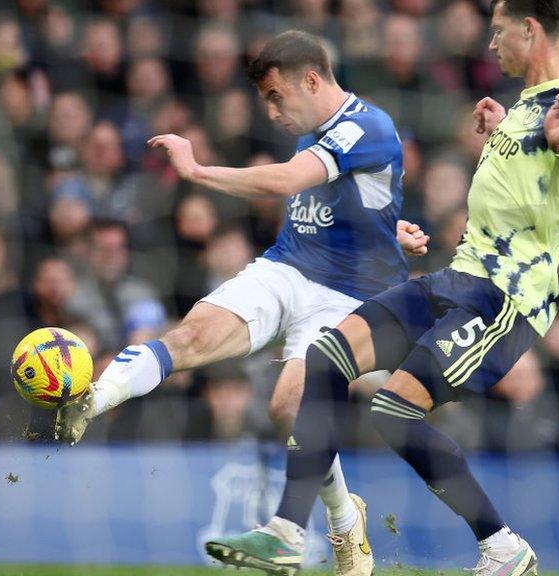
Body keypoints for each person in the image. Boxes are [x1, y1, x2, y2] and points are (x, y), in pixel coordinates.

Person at [206, 2, 559, 575]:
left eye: (498, 32)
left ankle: (502, 546)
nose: (491, 43)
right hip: (457, 277)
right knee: (326, 359)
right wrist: (511, 135)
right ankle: (287, 534)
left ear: (531, 29)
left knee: (393, 411)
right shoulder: (525, 105)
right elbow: (534, 184)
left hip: (505, 301)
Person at [53, 30, 427, 576]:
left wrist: (198, 170)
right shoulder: (316, 134)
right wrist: (390, 228)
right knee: (190, 337)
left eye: (277, 97)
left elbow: (286, 181)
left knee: (286, 408)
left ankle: (344, 522)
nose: (272, 112)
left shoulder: (367, 125)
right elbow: (347, 200)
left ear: (312, 79)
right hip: (286, 267)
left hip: (347, 300)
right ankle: (92, 399)